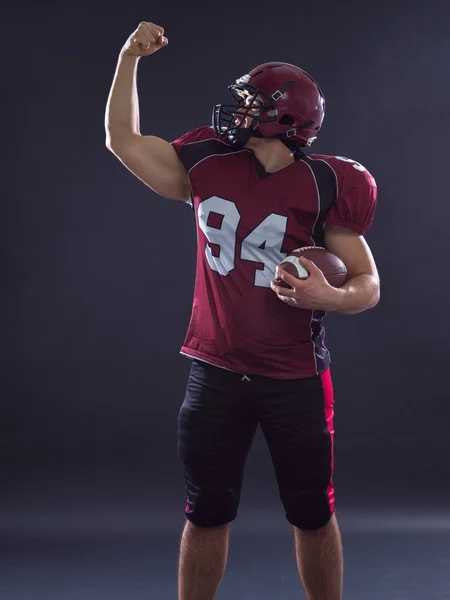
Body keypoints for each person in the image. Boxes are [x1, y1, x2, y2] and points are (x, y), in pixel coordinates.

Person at [105, 20, 380, 600]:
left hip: (296, 377)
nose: (237, 111)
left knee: (310, 512)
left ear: (288, 118)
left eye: (252, 104)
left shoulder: (329, 181)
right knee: (205, 512)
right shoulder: (206, 160)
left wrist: (330, 297)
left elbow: (368, 283)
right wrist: (129, 57)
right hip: (216, 370)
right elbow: (122, 140)